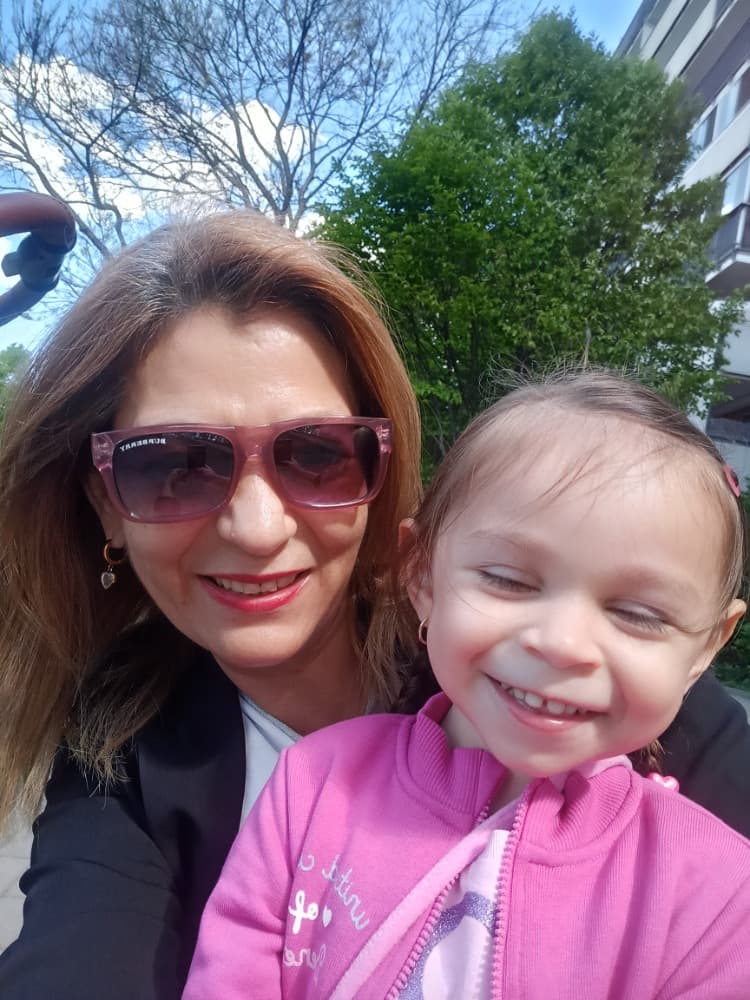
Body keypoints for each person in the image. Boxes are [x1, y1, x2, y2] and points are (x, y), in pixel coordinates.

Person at [0, 225, 748, 1000]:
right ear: (106, 504)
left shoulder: (588, 688)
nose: (256, 529)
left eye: (315, 453)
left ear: (377, 471)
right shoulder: (120, 745)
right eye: (174, 465)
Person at [183, 371, 750, 999]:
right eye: (509, 580)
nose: (561, 643)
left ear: (707, 646)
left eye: (638, 615)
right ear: (421, 572)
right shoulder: (312, 785)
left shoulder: (719, 899)